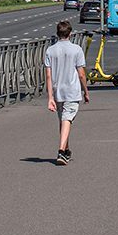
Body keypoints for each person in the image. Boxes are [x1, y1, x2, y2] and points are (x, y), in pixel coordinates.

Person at [45, 19, 88, 165]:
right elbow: (81, 73)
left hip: (58, 91)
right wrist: (86, 91)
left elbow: (48, 76)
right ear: (70, 33)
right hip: (72, 90)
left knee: (63, 120)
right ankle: (61, 151)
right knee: (67, 119)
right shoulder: (76, 50)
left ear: (57, 33)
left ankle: (67, 150)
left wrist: (50, 97)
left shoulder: (50, 50)